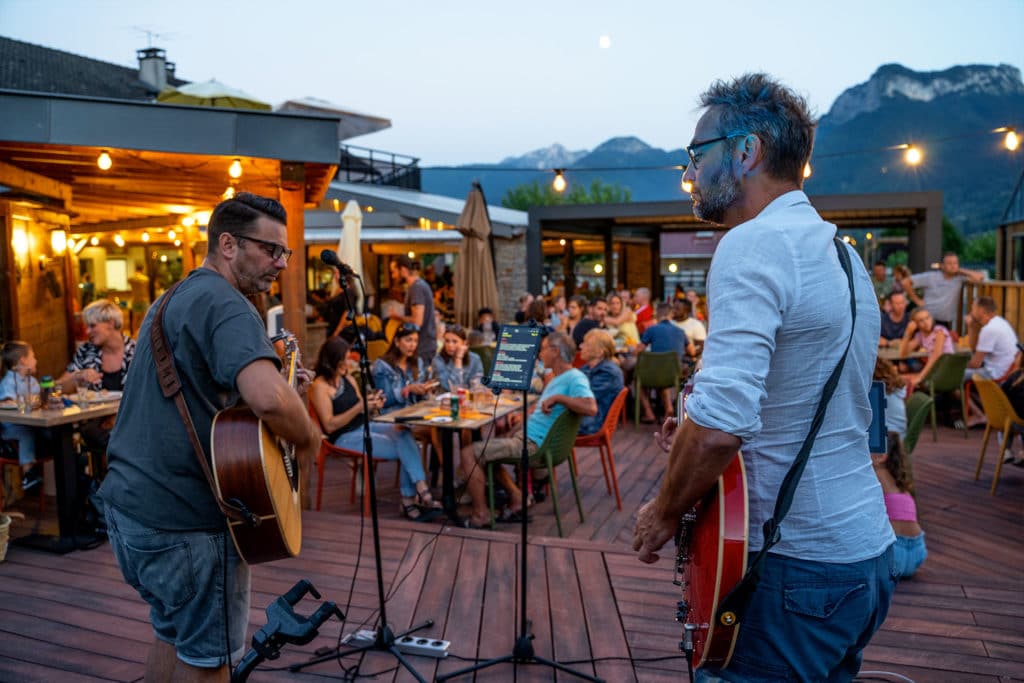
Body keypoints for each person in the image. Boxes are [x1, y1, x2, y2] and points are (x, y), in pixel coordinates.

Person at [633, 73, 895, 681]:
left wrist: (664, 511)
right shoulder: (844, 256)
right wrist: (697, 429)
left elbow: (723, 427)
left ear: (745, 152)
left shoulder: (752, 245)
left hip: (793, 569)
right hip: (864, 555)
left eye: (698, 155)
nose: (691, 173)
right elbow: (801, 398)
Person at [100, 192, 321, 681]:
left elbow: (212, 401)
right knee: (210, 662)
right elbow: (265, 400)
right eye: (270, 250)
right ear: (227, 244)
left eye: (284, 253)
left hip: (130, 513)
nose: (280, 263)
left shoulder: (170, 299)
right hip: (187, 524)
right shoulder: (229, 305)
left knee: (173, 634)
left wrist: (283, 389)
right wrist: (307, 438)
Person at [457, 332, 595, 528]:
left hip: (534, 446)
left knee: (468, 453)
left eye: (543, 350)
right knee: (491, 446)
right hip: (533, 439)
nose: (539, 355)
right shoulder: (559, 378)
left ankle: (481, 514)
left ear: (555, 352)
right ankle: (517, 496)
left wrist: (559, 399)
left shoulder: (574, 377)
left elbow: (591, 407)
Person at [310, 336, 438, 520]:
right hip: (343, 437)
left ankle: (416, 491)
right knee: (406, 448)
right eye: (346, 358)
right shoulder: (319, 387)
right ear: (333, 360)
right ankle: (412, 498)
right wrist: (360, 407)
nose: (350, 362)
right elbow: (330, 425)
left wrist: (373, 404)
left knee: (402, 430)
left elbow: (361, 404)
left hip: (365, 425)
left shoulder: (347, 379)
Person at [59, 299, 138, 458]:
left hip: (132, 421)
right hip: (96, 426)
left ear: (110, 323)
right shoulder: (86, 352)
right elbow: (58, 387)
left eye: (92, 326)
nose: (87, 332)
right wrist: (77, 376)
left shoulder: (137, 352)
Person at [871, 435, 927, 579]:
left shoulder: (875, 476)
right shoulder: (901, 485)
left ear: (881, 456)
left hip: (895, 554)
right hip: (917, 552)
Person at [0, 341, 43, 491]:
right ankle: (28, 473)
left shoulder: (32, 381)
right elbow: (7, 402)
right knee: (26, 433)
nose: (36, 360)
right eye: (33, 357)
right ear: (23, 361)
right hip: (10, 429)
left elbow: (38, 400)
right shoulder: (9, 381)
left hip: (30, 424)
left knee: (49, 432)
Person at [902, 253, 985, 330]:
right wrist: (917, 300)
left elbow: (980, 277)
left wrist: (959, 270)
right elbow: (905, 282)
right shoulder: (931, 276)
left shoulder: (959, 278)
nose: (953, 266)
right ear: (942, 266)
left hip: (944, 321)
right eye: (949, 263)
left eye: (955, 263)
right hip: (926, 318)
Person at [636, 302, 688, 424]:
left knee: (638, 379)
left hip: (655, 373)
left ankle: (649, 413)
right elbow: (691, 350)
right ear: (671, 314)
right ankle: (669, 408)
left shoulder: (651, 329)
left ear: (657, 314)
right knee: (663, 376)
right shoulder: (680, 331)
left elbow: (639, 350)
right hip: (675, 373)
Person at [372, 323, 434, 412]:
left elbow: (420, 399)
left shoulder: (417, 361)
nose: (413, 345)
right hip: (393, 416)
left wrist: (425, 389)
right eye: (408, 340)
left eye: (416, 341)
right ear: (397, 342)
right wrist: (406, 390)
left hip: (415, 413)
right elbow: (383, 401)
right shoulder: (382, 365)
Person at [389, 254, 437, 364]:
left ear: (403, 270)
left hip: (422, 348)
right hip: (423, 346)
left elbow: (417, 321)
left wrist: (397, 317)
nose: (393, 276)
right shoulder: (418, 286)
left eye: (394, 271)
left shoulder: (416, 288)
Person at [578, 329, 624, 435]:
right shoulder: (588, 367)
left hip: (591, 423)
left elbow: (584, 399)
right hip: (581, 417)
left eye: (586, 344)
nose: (581, 346)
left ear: (600, 352)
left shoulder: (608, 372)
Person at [964, 296, 1019, 381]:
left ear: (981, 311)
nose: (971, 313)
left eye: (973, 309)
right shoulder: (1000, 322)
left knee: (954, 375)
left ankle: (960, 395)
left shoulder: (989, 329)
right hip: (1006, 372)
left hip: (995, 374)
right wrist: (971, 326)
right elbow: (974, 348)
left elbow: (975, 364)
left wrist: (956, 367)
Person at [900, 308, 954, 386]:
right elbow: (903, 354)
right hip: (935, 369)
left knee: (908, 379)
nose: (926, 322)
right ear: (915, 324)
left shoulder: (939, 331)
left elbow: (936, 355)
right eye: (921, 320)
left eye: (927, 318)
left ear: (931, 318)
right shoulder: (920, 335)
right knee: (901, 378)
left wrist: (920, 377)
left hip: (946, 369)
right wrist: (908, 332)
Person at [432, 324, 484, 392]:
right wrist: (458, 359)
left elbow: (478, 386)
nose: (450, 345)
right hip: (445, 400)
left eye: (454, 341)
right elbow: (451, 388)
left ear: (464, 343)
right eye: (447, 341)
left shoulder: (475, 359)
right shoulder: (438, 360)